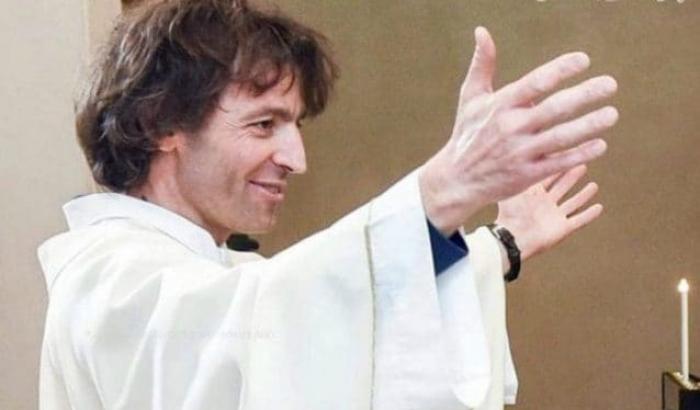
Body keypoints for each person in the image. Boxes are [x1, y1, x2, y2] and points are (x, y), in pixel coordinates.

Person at [37, 0, 618, 409]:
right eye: (264, 124)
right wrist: (448, 187)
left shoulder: (216, 270)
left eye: (295, 126)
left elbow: (336, 316)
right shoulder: (111, 279)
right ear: (160, 124)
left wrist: (502, 246)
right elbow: (268, 326)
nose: (296, 158)